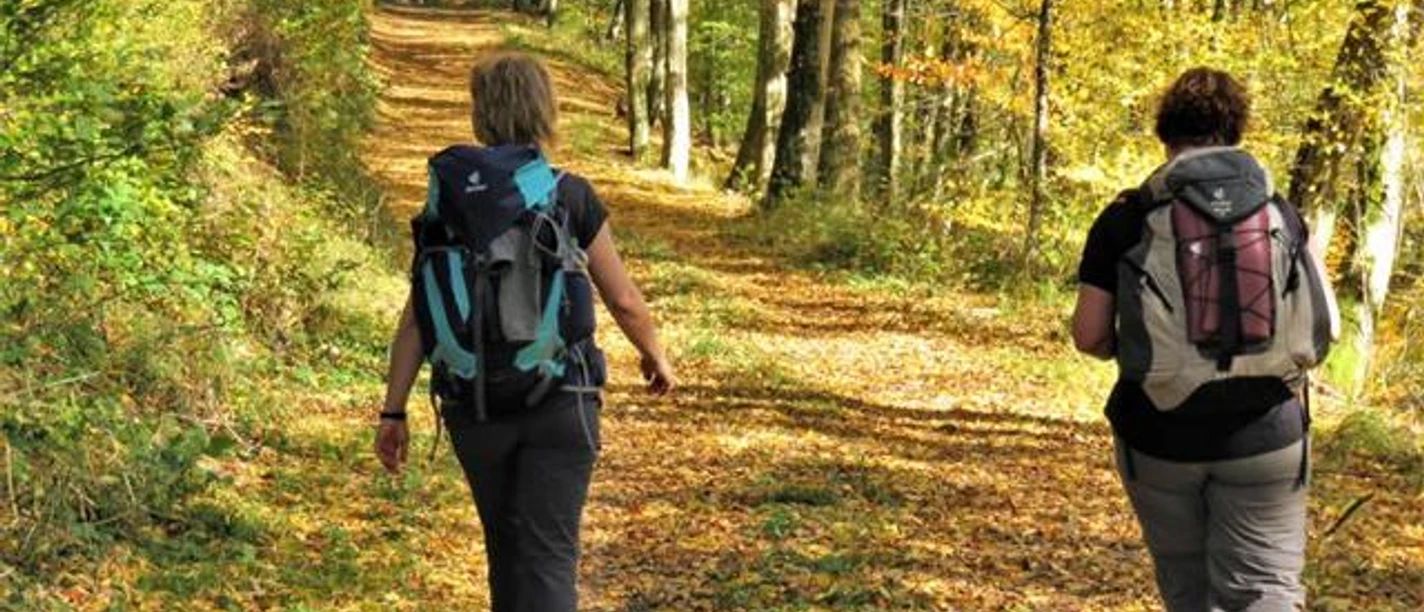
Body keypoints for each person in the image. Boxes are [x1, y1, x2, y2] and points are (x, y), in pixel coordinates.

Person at [374, 52, 676, 612]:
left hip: (474, 401)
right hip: (560, 400)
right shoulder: (568, 193)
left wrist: (393, 411)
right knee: (548, 558)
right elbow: (625, 300)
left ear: (481, 114)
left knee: (507, 554)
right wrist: (655, 354)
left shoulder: (448, 202)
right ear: (545, 110)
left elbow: (419, 312)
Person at [1071, 67, 1338, 611]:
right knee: (1265, 591)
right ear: (1237, 131)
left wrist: (1135, 346)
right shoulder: (1280, 210)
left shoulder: (1128, 216)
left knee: (1188, 588)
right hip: (1269, 436)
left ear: (1164, 134)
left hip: (1159, 435)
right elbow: (1327, 325)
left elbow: (1089, 334)